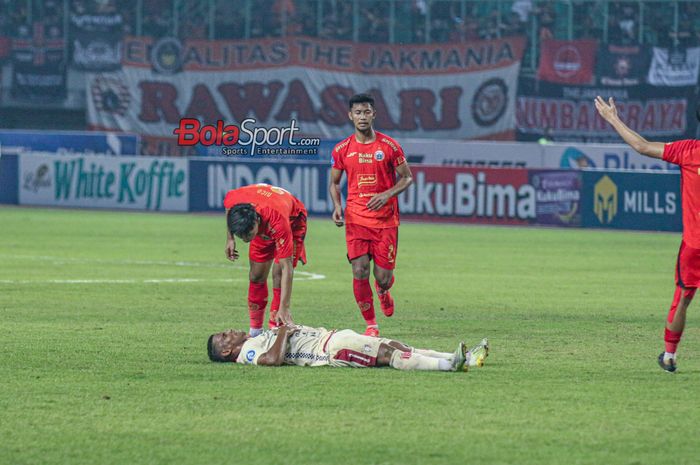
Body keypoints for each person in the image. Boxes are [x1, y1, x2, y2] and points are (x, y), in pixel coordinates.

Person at [595, 95, 699, 373]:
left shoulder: (690, 151)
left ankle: (669, 355)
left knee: (683, 299)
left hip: (694, 246)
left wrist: (613, 118)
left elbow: (641, 146)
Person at [329, 93, 414, 338]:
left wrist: (387, 194)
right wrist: (337, 206)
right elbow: (334, 183)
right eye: (358, 112)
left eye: (367, 112)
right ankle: (371, 325)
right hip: (356, 219)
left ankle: (383, 290)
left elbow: (407, 177)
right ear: (350, 116)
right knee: (359, 271)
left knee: (383, 277)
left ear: (373, 114)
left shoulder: (389, 147)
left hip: (385, 221)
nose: (362, 117)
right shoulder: (342, 149)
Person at [207, 324, 489, 372]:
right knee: (388, 355)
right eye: (223, 337)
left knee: (396, 345)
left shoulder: (249, 341)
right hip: (329, 350)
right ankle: (448, 365)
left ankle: (461, 358)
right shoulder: (247, 354)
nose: (228, 331)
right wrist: (283, 331)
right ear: (226, 353)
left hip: (331, 337)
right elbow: (271, 361)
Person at [224, 183, 307, 336]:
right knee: (256, 276)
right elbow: (229, 210)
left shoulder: (277, 220)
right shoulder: (234, 200)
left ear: (256, 221)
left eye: (247, 234)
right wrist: (230, 239)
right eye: (240, 236)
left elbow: (286, 268)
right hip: (264, 229)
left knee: (278, 274)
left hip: (292, 222)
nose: (245, 239)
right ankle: (255, 332)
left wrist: (285, 306)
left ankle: (274, 329)